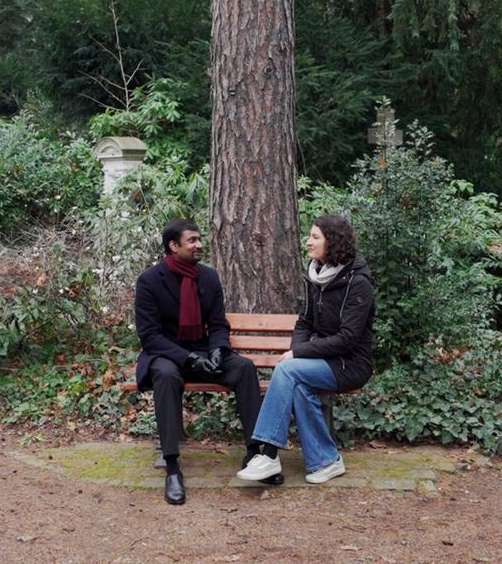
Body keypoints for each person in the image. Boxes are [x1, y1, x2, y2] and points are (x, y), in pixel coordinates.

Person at [236, 214, 374, 485]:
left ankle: (269, 454)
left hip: (350, 365)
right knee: (298, 386)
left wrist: (299, 354)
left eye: (315, 237)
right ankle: (327, 460)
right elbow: (304, 321)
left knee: (288, 371)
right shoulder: (317, 275)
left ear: (332, 242)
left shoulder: (358, 284)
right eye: (310, 236)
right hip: (322, 361)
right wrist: (300, 348)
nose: (308, 242)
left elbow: (348, 339)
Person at [134, 218, 262, 505]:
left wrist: (217, 350)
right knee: (166, 376)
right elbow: (150, 336)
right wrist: (189, 359)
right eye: (192, 240)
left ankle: (255, 454)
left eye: (199, 239)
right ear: (173, 245)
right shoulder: (150, 281)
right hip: (167, 354)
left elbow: (218, 324)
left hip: (203, 350)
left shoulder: (208, 277)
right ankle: (172, 467)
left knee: (244, 368)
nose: (199, 245)